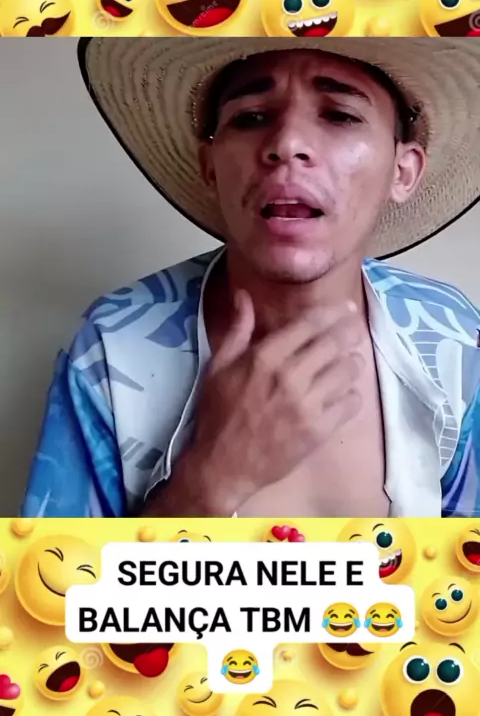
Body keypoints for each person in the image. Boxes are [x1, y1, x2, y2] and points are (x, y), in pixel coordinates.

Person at [22, 36, 480, 518]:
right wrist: (212, 479)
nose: (287, 144)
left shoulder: (452, 337)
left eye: (340, 115)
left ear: (403, 172)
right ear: (210, 168)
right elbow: (58, 568)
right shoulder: (113, 348)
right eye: (252, 117)